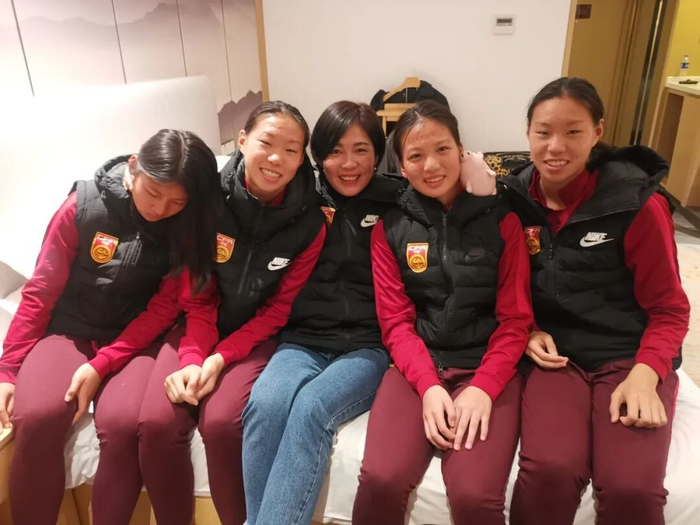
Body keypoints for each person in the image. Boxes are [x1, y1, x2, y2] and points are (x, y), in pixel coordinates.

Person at [0, 129, 221, 525]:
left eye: (176, 201)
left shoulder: (186, 227)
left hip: (139, 338)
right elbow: (41, 291)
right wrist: (8, 369)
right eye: (153, 193)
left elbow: (164, 307)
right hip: (70, 329)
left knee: (121, 425)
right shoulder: (83, 207)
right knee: (36, 417)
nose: (161, 209)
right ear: (133, 167)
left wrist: (103, 362)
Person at [501, 77, 690, 525]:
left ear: (598, 132)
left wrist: (646, 374)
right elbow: (499, 285)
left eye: (573, 132)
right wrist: (528, 329)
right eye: (543, 132)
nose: (555, 147)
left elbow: (670, 309)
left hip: (628, 355)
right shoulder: (512, 198)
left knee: (630, 487)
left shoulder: (635, 204)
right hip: (556, 357)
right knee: (550, 470)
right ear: (527, 133)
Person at [352, 100, 533, 525]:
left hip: (485, 366)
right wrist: (429, 386)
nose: (431, 165)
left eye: (443, 150)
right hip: (418, 366)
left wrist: (484, 386)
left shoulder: (503, 221)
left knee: (474, 495)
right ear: (401, 166)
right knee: (381, 479)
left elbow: (515, 320)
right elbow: (395, 323)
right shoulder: (390, 228)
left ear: (462, 150)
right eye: (416, 155)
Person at [153, 101, 326, 525]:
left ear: (301, 159)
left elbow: (278, 310)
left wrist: (220, 358)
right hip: (198, 325)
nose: (276, 158)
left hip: (258, 334)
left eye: (291, 150)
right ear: (243, 141)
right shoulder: (207, 202)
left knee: (221, 423)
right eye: (266, 142)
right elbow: (197, 294)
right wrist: (194, 357)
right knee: (159, 420)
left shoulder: (311, 222)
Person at [241, 101, 405, 525]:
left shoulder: (398, 200)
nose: (348, 164)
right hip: (303, 339)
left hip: (367, 346)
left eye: (361, 150)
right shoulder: (301, 199)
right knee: (266, 404)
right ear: (316, 156)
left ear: (378, 153)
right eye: (335, 151)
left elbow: (450, 207)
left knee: (312, 408)